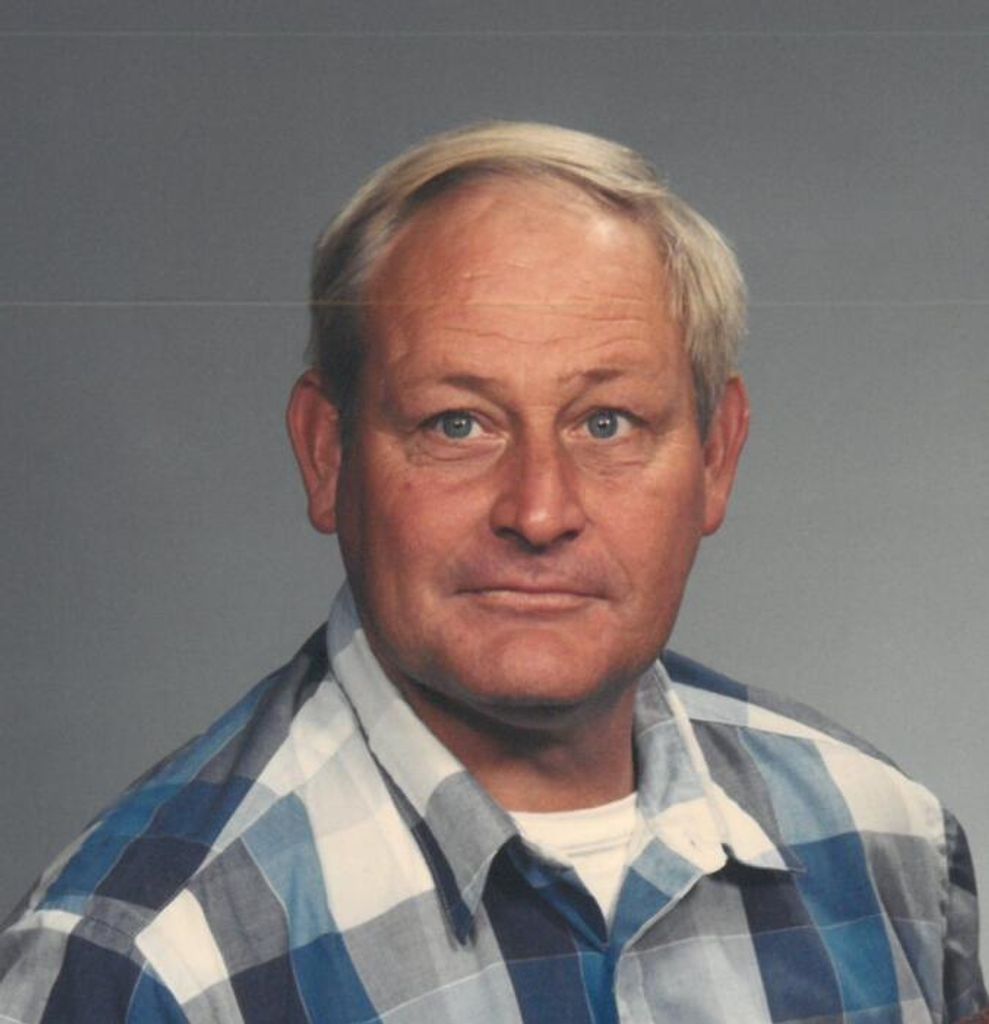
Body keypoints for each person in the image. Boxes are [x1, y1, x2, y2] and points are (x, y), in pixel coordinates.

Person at [0, 121, 984, 1023]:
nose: (539, 510)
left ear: (716, 456)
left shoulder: (886, 844)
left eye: (607, 423)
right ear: (327, 454)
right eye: (457, 424)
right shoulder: (147, 964)